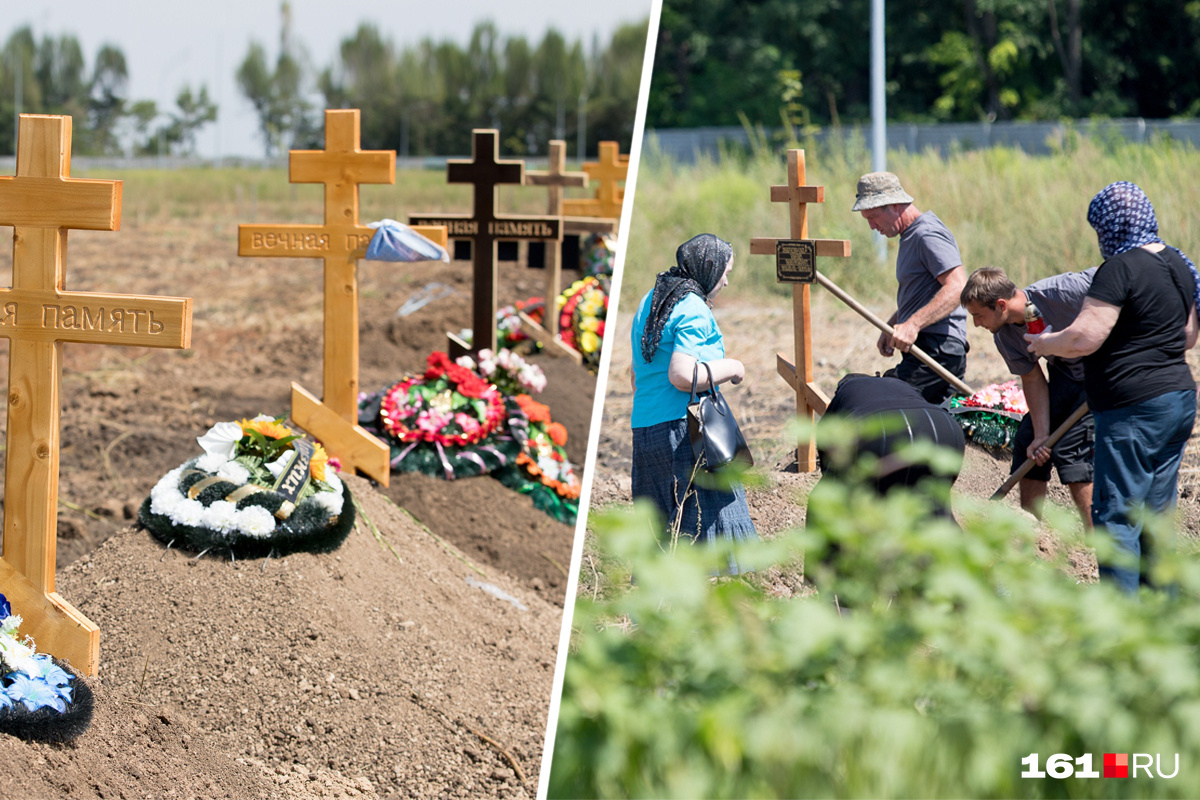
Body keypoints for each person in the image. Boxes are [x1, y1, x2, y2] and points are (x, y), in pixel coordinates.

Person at [1027, 182, 1198, 592]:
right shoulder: (1177, 263)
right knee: (1157, 513)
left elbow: (1084, 337)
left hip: (1132, 408)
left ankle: (1121, 620)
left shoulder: (1119, 268)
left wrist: (1044, 342)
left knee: (1117, 514)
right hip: (1177, 399)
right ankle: (1163, 611)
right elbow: (1189, 334)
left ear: (1110, 226)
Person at [630, 233, 758, 557]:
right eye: (726, 273)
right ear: (709, 268)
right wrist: (733, 367)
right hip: (684, 431)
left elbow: (635, 375)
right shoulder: (693, 308)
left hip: (645, 428)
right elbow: (681, 375)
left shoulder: (650, 302)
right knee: (706, 529)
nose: (726, 282)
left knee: (659, 534)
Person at [961, 266, 1097, 528]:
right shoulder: (1004, 335)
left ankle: (1098, 539)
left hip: (1105, 373)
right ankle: (1030, 530)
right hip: (1067, 374)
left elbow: (1118, 280)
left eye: (978, 316)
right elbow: (1033, 379)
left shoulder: (1063, 293)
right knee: (1028, 441)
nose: (976, 324)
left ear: (1000, 305)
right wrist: (1040, 435)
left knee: (1071, 447)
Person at [851, 172, 969, 404]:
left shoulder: (926, 234)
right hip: (926, 348)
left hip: (938, 350)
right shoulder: (910, 236)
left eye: (873, 217)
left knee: (886, 408)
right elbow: (925, 293)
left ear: (894, 205)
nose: (872, 226)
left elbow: (958, 287)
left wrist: (913, 324)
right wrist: (896, 323)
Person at [814, 373, 965, 519]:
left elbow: (825, 440)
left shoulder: (846, 390)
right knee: (935, 506)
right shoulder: (900, 385)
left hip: (878, 430)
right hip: (942, 426)